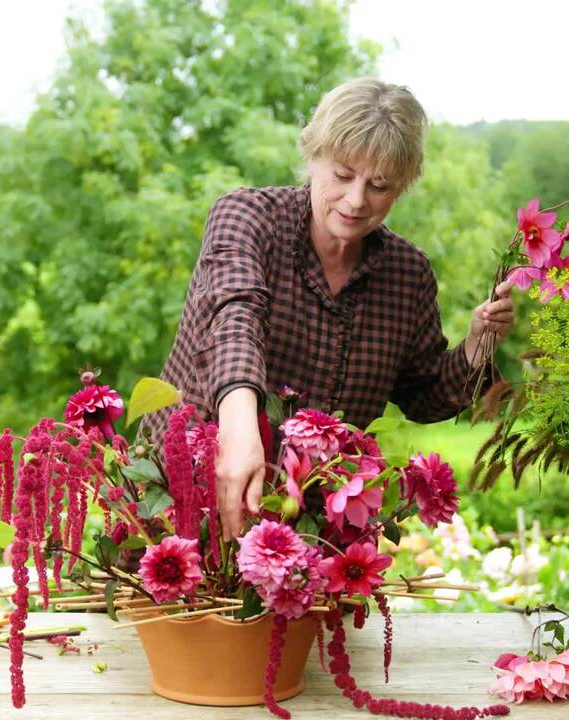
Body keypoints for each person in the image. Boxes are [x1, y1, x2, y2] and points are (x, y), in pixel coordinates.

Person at [156, 77, 515, 540]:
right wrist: (241, 426)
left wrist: (477, 346)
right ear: (313, 155)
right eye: (343, 175)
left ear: (402, 187)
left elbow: (424, 394)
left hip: (306, 534)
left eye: (379, 185)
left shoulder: (408, 275)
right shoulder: (246, 218)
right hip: (186, 509)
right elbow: (233, 319)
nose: (356, 200)